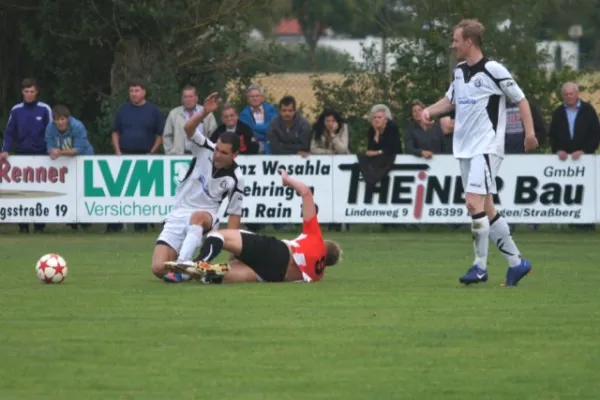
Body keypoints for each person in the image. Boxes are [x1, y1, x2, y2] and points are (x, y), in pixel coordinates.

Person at [421, 19, 538, 287]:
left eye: (456, 40)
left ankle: (480, 267)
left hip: (486, 147)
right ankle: (517, 263)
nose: (453, 45)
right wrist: (429, 110)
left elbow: (520, 99)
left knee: (473, 203)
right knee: (486, 208)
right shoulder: (460, 71)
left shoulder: (493, 69)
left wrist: (530, 134)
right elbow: (449, 101)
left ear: (469, 42)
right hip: (463, 149)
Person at [164, 169, 342, 284]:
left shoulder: (315, 238)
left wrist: (287, 180)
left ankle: (194, 264)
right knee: (217, 274)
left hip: (277, 252)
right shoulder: (318, 275)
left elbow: (306, 192)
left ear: (325, 246)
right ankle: (203, 273)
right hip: (272, 276)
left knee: (218, 236)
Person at [151, 93, 245, 283]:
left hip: (206, 218)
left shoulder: (237, 177)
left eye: (224, 153)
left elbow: (234, 213)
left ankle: (184, 265)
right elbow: (188, 128)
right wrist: (203, 112)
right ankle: (195, 270)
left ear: (235, 155)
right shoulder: (205, 147)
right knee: (158, 268)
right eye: (217, 149)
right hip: (179, 213)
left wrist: (234, 249)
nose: (217, 154)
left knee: (198, 216)